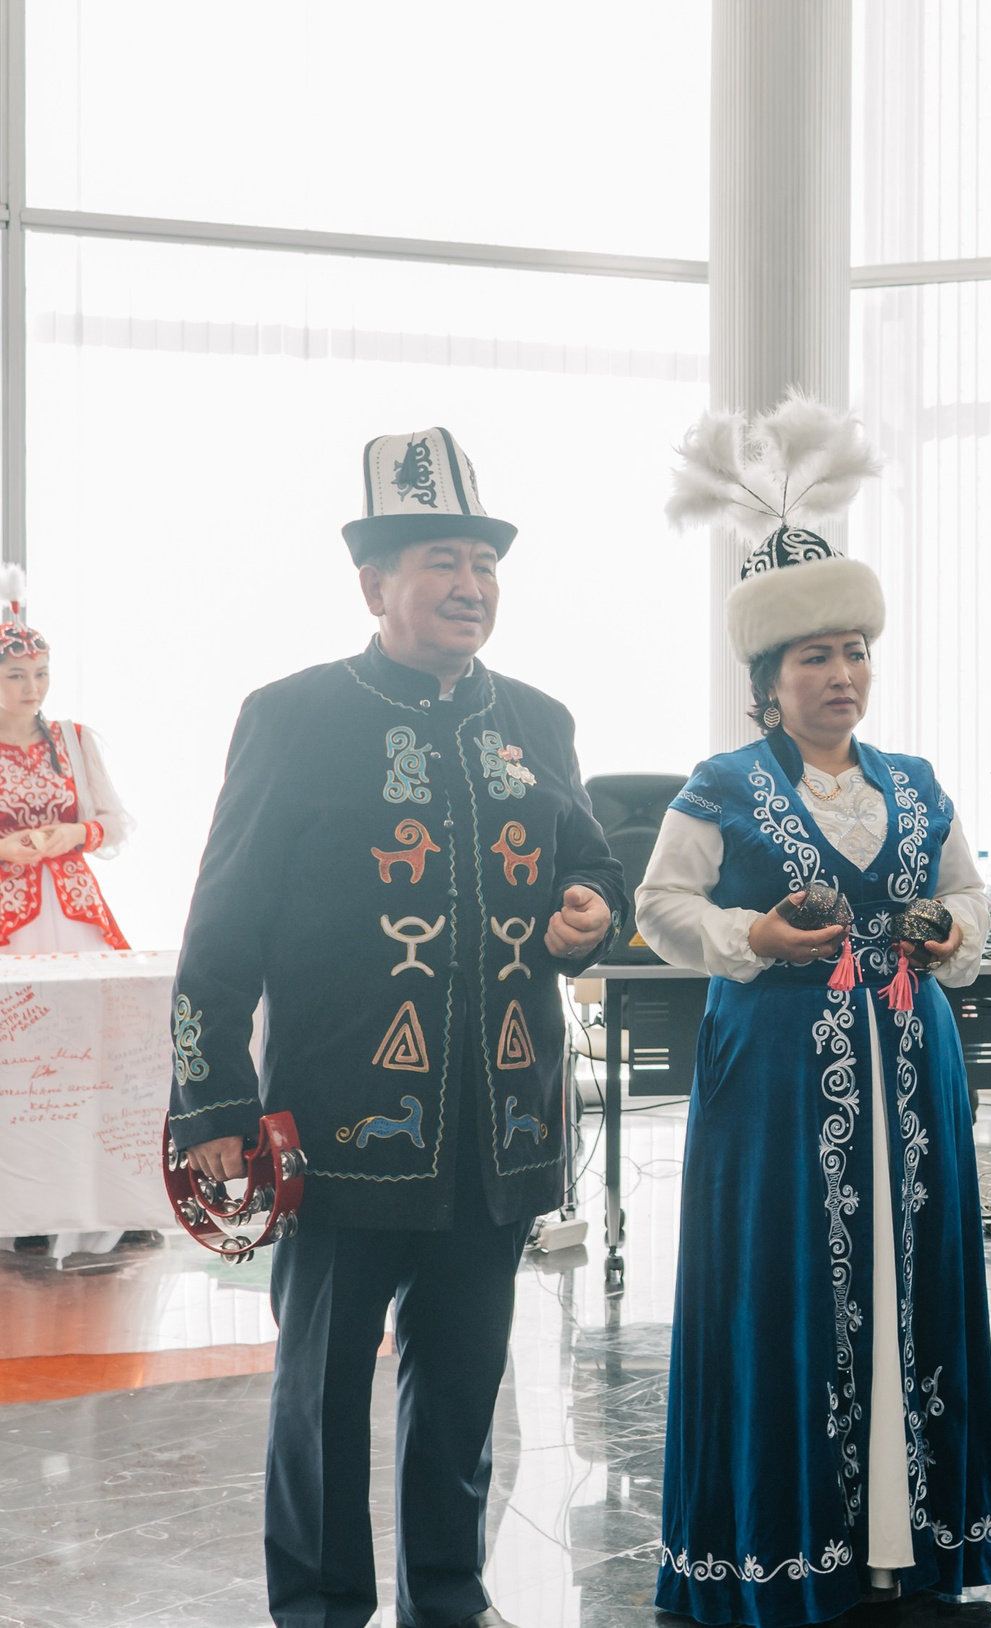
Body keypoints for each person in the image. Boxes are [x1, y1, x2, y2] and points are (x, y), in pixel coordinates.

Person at [167, 428, 626, 1628]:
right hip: (334, 1125)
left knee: (465, 1387)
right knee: (319, 1395)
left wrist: (590, 911)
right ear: (374, 585)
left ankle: (449, 1597)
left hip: (502, 1126)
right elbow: (221, 926)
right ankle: (320, 1609)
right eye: (440, 560)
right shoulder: (292, 717)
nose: (469, 585)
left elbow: (587, 866)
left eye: (483, 562)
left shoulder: (540, 719)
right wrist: (212, 1096)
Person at [646, 398, 991, 1623]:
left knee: (918, 1285)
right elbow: (659, 906)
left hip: (912, 1061)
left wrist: (955, 935)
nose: (841, 676)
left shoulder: (914, 780)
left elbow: (969, 893)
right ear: (765, 682)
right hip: (779, 1075)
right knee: (783, 1294)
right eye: (813, 658)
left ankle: (904, 1550)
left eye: (854, 652)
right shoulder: (722, 786)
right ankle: (789, 1552)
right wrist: (751, 935)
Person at [0, 566, 141, 1261]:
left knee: (87, 1047)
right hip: (10, 913)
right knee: (17, 1053)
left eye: (41, 673)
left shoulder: (73, 741)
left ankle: (101, 1194)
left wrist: (68, 836)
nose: (33, 690)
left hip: (72, 905)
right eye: (17, 677)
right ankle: (20, 1203)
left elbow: (114, 821)